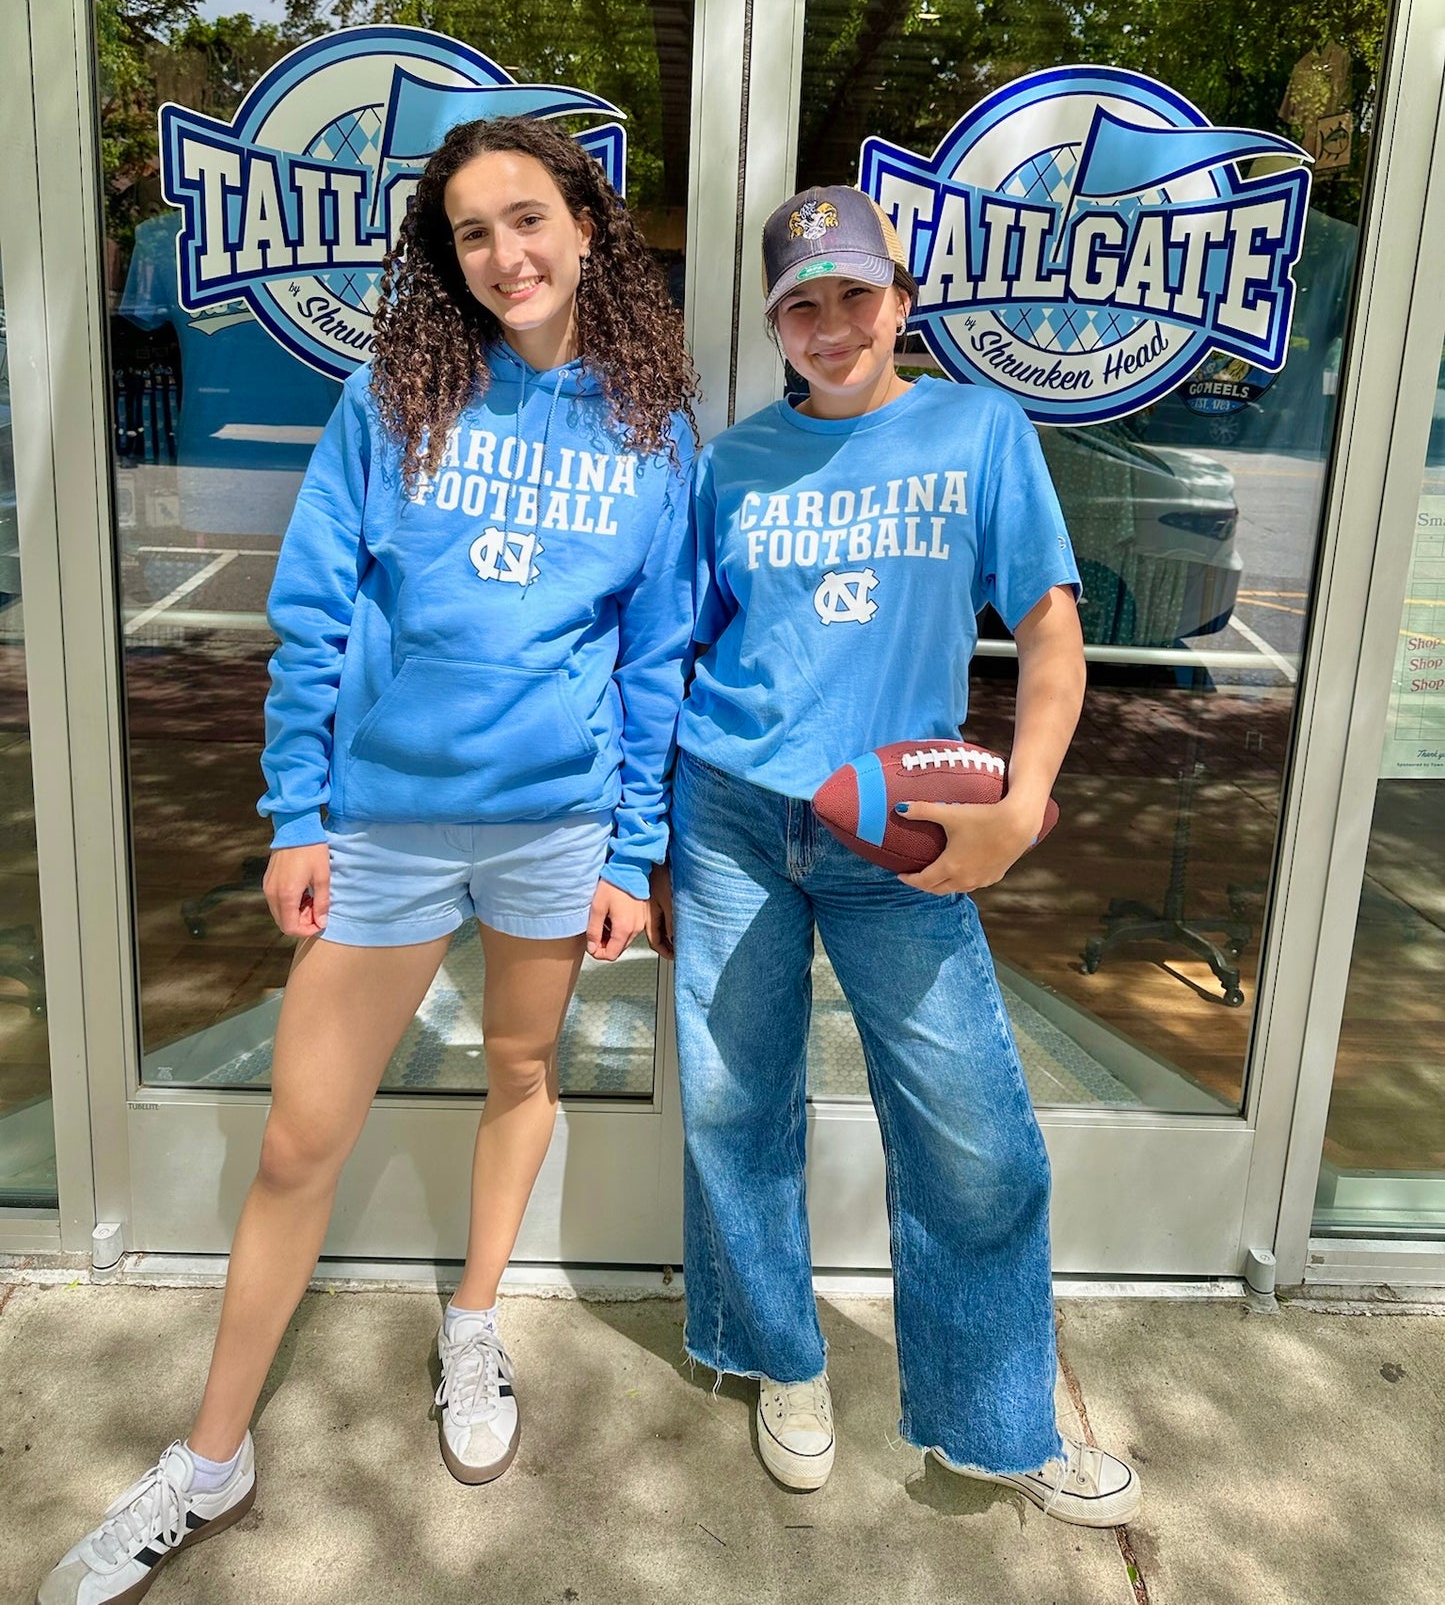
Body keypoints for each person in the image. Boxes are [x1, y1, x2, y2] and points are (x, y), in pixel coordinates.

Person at [39, 117, 698, 1604]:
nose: (504, 256)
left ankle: (473, 1322)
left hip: (556, 828)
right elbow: (317, 611)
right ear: (444, 258)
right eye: (470, 234)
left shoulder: (654, 430)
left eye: (526, 219)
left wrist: (634, 851)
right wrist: (295, 811)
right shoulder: (395, 396)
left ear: (587, 224)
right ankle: (213, 1455)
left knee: (520, 1077)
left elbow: (656, 658)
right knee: (296, 1141)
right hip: (388, 829)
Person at [655, 185, 1140, 1526]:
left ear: (899, 301)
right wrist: (646, 835)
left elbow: (1049, 633)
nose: (830, 324)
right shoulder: (734, 463)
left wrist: (1018, 807)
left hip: (901, 839)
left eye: (852, 296)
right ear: (774, 324)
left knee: (974, 1138)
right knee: (730, 1106)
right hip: (734, 812)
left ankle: (996, 1419)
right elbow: (680, 654)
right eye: (801, 305)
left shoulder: (978, 430)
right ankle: (777, 1359)